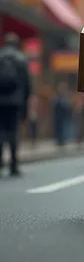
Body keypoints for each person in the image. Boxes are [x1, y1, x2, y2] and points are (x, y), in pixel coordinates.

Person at [0, 33, 31, 177]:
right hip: (15, 102)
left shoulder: (0, 57)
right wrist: (25, 107)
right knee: (13, 132)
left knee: (1, 131)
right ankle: (13, 165)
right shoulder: (21, 59)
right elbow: (26, 85)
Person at [52, 82, 73, 147]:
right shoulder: (56, 97)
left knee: (63, 128)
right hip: (57, 117)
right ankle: (59, 140)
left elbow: (67, 106)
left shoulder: (65, 98)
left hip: (63, 117)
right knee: (58, 128)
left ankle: (62, 140)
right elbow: (53, 104)